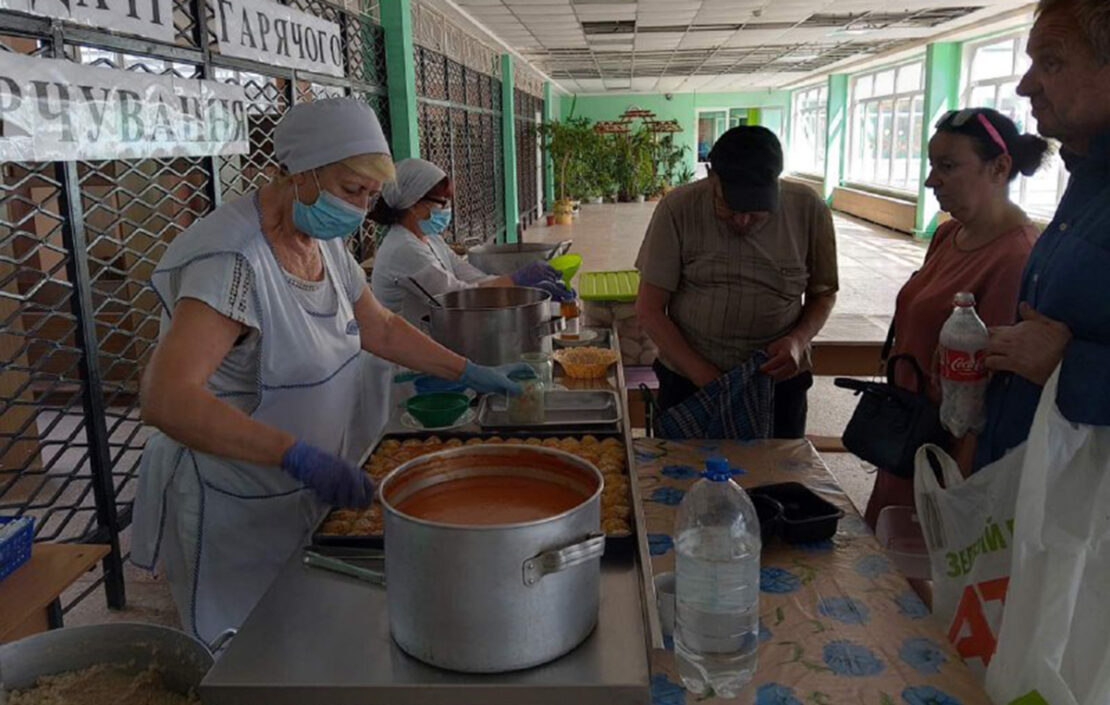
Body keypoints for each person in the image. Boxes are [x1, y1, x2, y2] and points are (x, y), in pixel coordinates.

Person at [132, 99, 529, 642]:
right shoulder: (232, 259)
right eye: (350, 190)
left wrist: (471, 371)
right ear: (298, 172)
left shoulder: (322, 242)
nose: (362, 210)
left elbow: (381, 327)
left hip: (305, 490)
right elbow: (167, 398)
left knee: (310, 643)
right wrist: (292, 454)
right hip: (238, 502)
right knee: (249, 654)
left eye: (370, 196)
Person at [864, 108, 1048, 528]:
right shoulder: (949, 235)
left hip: (949, 453)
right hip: (909, 431)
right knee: (889, 559)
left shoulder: (1015, 257)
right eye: (932, 166)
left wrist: (959, 489)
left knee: (927, 567)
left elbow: (989, 388)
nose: (931, 180)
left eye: (947, 167)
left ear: (999, 168)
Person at [635, 126, 839, 439]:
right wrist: (706, 377)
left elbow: (823, 295)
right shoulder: (677, 209)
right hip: (689, 383)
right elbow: (649, 310)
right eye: (729, 207)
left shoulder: (808, 210)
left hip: (776, 386)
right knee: (681, 480)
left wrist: (798, 340)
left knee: (771, 482)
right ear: (711, 177)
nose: (742, 221)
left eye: (756, 211)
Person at [976, 0, 1110, 469]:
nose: (1025, 85)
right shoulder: (1089, 182)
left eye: (1051, 62)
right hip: (1037, 484)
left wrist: (1071, 368)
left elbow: (1055, 356)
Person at [370, 158, 573, 326]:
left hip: (435, 335)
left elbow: (471, 277)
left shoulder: (431, 239)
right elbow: (458, 297)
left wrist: (526, 290)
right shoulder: (403, 249)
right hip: (407, 359)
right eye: (441, 203)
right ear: (413, 204)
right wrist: (518, 281)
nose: (446, 209)